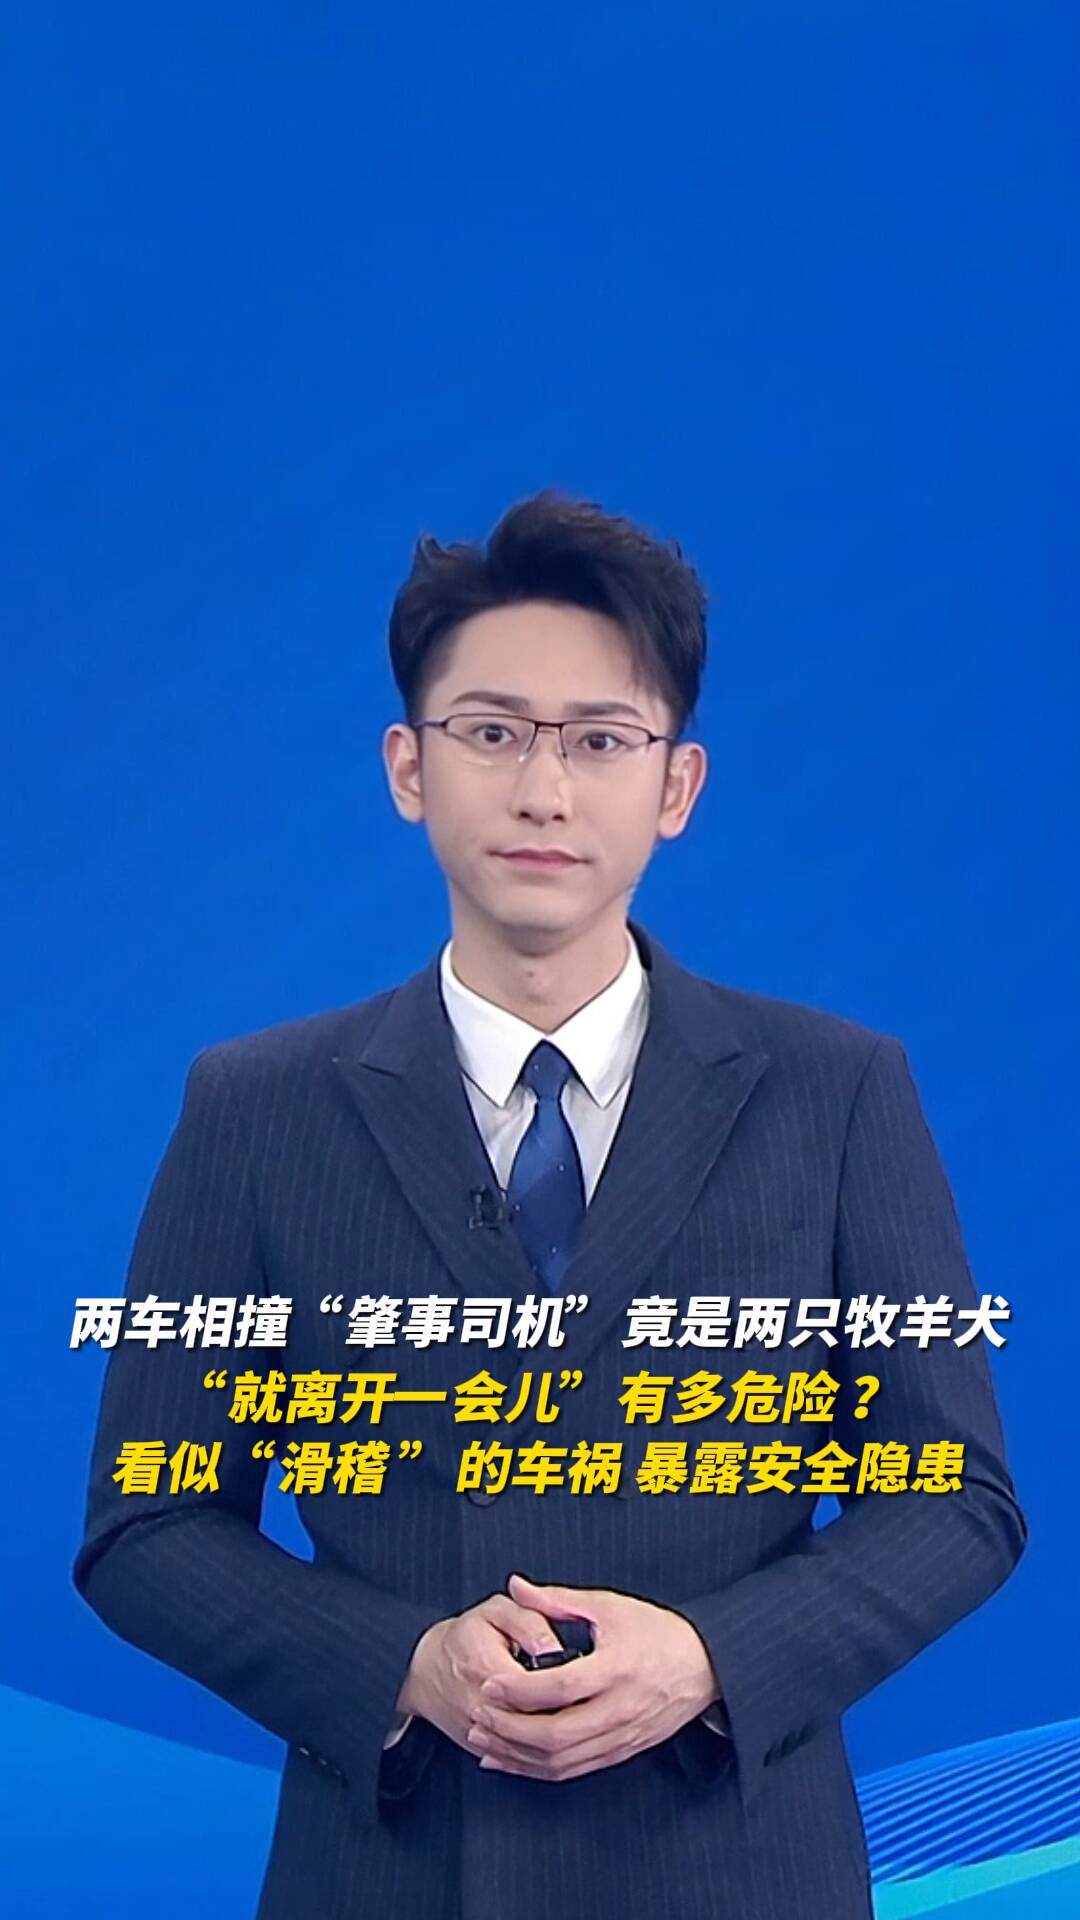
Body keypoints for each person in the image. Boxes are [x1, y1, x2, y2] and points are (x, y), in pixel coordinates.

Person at [74, 491, 1026, 1920]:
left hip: (736, 1868)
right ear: (409, 766)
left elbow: (957, 1497)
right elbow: (147, 1524)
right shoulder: (255, 1108)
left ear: (677, 786)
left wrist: (710, 1658)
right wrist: (401, 1666)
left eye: (600, 741)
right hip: (389, 1871)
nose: (543, 790)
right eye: (492, 732)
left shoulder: (837, 1095)